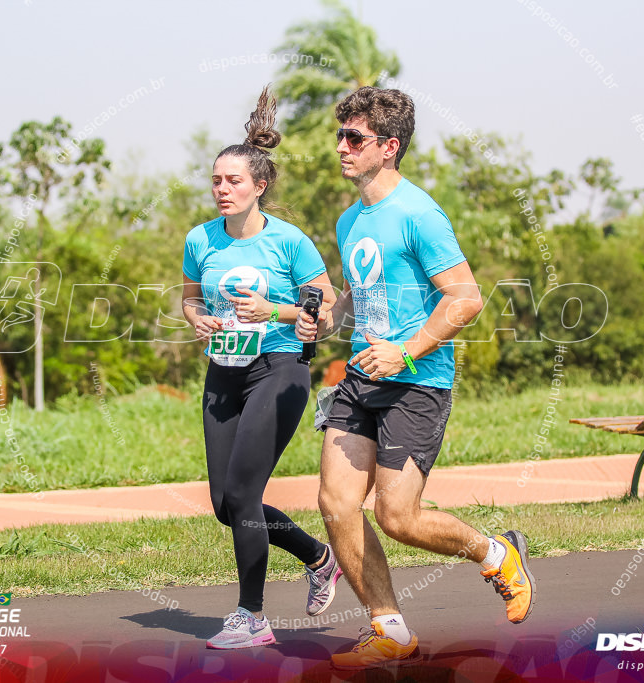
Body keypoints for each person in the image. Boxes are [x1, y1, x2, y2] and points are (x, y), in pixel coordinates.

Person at [296, 86, 537, 670]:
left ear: (389, 147)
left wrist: (404, 352)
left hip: (417, 381)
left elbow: (467, 298)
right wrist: (329, 316)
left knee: (397, 517)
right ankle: (390, 628)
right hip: (361, 377)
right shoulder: (350, 218)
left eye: (354, 138)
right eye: (340, 136)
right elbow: (369, 296)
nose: (341, 148)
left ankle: (494, 552)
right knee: (335, 504)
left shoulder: (420, 214)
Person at [181, 86, 342, 650]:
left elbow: (326, 313)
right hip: (223, 372)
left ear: (259, 186)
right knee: (226, 505)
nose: (222, 190)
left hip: (279, 370)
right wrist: (197, 318)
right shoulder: (200, 239)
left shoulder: (290, 242)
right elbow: (190, 298)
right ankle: (319, 557)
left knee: (246, 494)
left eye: (233, 181)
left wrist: (278, 310)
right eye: (217, 181)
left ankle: (252, 616)